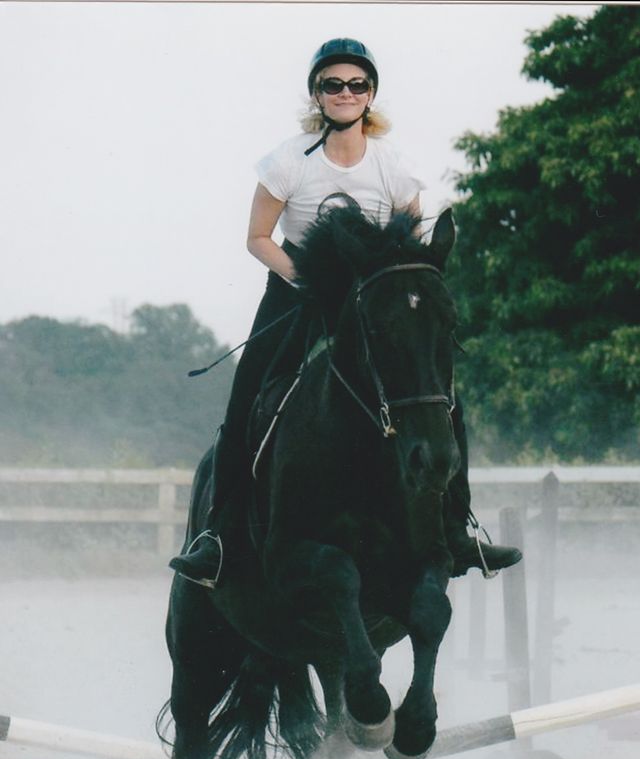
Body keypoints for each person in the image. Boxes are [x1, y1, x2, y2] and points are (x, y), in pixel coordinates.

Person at [170, 37, 521, 588]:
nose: (345, 92)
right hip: (297, 294)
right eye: (333, 84)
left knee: (443, 401)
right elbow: (258, 237)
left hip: (370, 303)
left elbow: (409, 245)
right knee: (246, 398)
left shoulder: (393, 165)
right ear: (317, 93)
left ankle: (457, 530)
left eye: (356, 84)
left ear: (370, 94)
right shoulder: (287, 161)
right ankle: (219, 536)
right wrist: (309, 280)